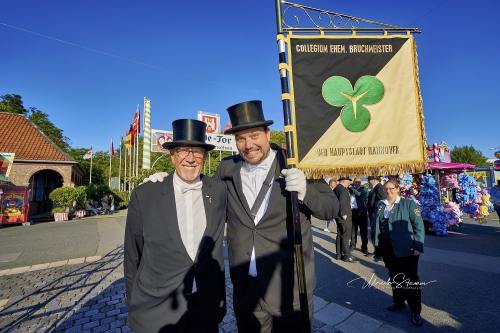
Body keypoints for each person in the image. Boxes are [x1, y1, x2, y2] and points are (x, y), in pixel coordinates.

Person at [145, 100, 339, 332]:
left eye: (254, 135)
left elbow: (331, 208)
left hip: (290, 287)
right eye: (241, 138)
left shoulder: (296, 161)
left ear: (268, 134)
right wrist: (167, 182)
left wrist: (306, 191)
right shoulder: (227, 169)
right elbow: (199, 192)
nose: (248, 145)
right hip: (246, 291)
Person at [124, 119, 227, 333]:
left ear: (205, 157)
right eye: (183, 151)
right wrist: (133, 299)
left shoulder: (218, 191)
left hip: (205, 308)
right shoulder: (146, 195)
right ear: (172, 156)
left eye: (197, 152)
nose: (190, 158)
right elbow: (132, 253)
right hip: (157, 311)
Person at [374, 179, 425, 327]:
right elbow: (377, 225)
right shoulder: (381, 204)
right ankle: (399, 302)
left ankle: (415, 310)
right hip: (387, 248)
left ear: (397, 189)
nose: (388, 191)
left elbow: (418, 226)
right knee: (394, 276)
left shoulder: (408, 204)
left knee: (411, 280)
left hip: (406, 248)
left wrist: (418, 246)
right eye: (386, 189)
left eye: (391, 189)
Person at [334, 176, 358, 263]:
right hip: (344, 215)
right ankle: (347, 256)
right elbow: (342, 202)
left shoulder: (337, 188)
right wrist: (344, 214)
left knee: (340, 234)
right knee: (345, 235)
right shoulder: (343, 190)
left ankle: (338, 254)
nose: (349, 183)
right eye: (348, 181)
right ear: (343, 181)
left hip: (338, 215)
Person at [367, 175, 386, 258]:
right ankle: (377, 251)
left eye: (369, 180)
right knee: (374, 233)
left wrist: (376, 209)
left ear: (374, 180)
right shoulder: (375, 187)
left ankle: (378, 253)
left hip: (376, 215)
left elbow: (383, 200)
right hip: (373, 214)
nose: (368, 181)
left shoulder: (379, 187)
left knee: (375, 233)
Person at [350, 177, 369, 254]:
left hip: (361, 212)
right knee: (353, 230)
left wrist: (351, 188)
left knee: (363, 231)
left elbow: (359, 194)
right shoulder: (350, 189)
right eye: (356, 182)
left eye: (359, 182)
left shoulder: (363, 189)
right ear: (354, 182)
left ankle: (364, 247)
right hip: (353, 211)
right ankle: (352, 245)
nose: (358, 183)